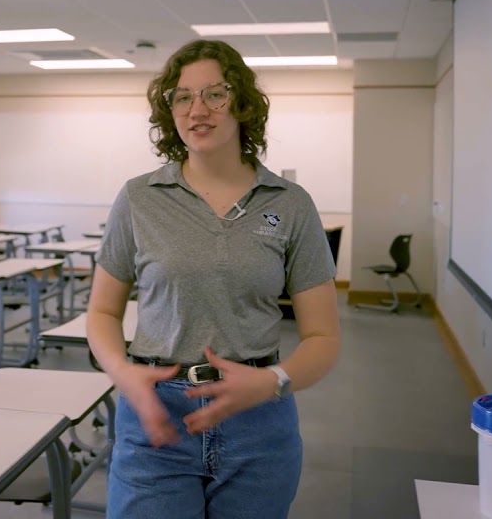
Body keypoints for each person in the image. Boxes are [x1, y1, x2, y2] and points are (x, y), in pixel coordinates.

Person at [87, 39, 341, 518]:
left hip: (259, 418)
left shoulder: (289, 203)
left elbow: (324, 337)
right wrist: (124, 375)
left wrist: (272, 382)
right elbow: (102, 311)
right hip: (157, 414)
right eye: (182, 97)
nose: (196, 110)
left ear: (242, 104)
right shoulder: (140, 198)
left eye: (214, 94)